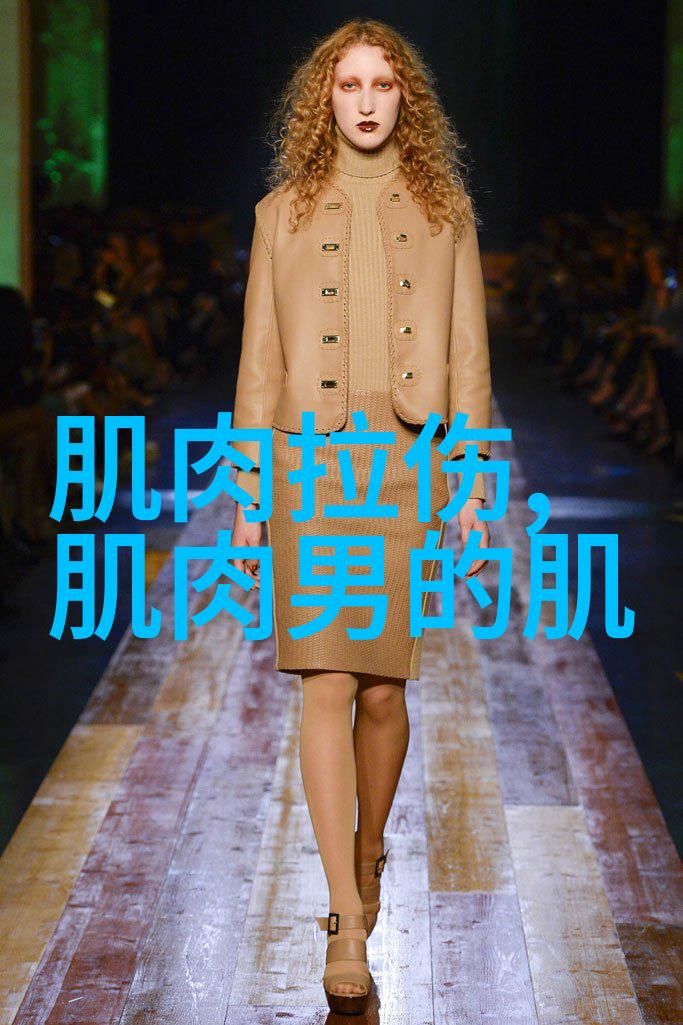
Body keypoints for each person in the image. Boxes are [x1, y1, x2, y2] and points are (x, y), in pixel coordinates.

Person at [229, 18, 492, 1015]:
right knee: (322, 678)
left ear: (405, 98)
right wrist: (248, 494)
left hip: (408, 466)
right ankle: (343, 913)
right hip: (308, 468)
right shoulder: (280, 214)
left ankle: (369, 846)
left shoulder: (446, 212)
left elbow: (467, 354)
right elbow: (259, 362)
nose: (367, 101)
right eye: (349, 85)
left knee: (382, 691)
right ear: (324, 99)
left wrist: (471, 483)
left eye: (383, 84)